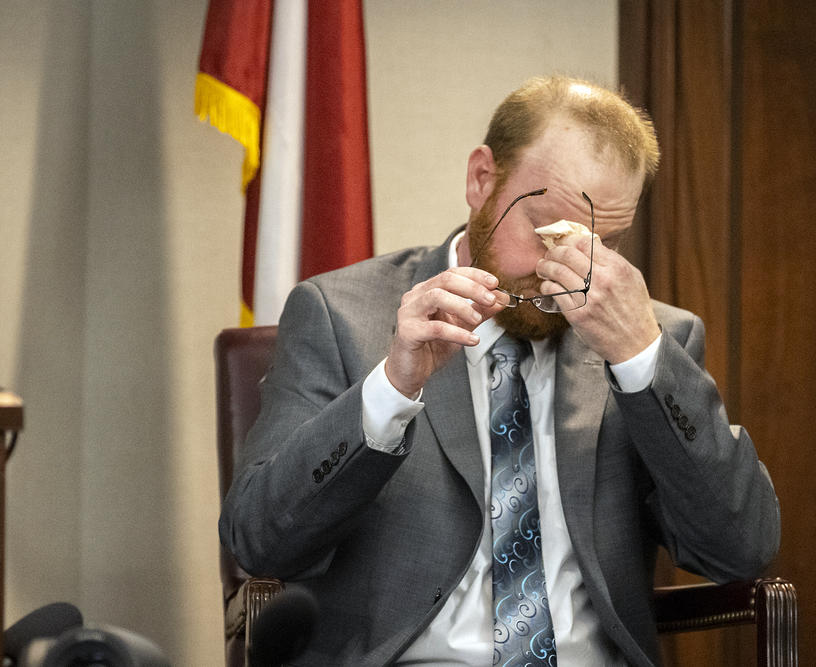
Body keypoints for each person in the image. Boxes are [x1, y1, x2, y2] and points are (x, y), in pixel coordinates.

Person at [220, 75, 780, 666]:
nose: (568, 273)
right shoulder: (341, 315)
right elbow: (261, 541)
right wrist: (391, 389)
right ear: (482, 178)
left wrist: (644, 360)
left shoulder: (649, 338)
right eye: (548, 233)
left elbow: (740, 550)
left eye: (601, 243)